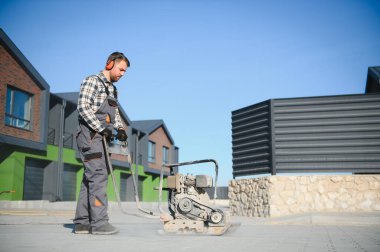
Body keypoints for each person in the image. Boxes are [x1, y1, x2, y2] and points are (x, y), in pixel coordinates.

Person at [73, 52, 129, 235]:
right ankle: (99, 224)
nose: (122, 74)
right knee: (98, 176)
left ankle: (82, 223)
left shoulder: (112, 89)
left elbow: (116, 113)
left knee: (90, 179)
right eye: (120, 69)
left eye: (124, 72)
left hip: (102, 138)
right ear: (110, 63)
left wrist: (120, 129)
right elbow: (82, 107)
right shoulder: (92, 81)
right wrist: (100, 127)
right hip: (90, 136)